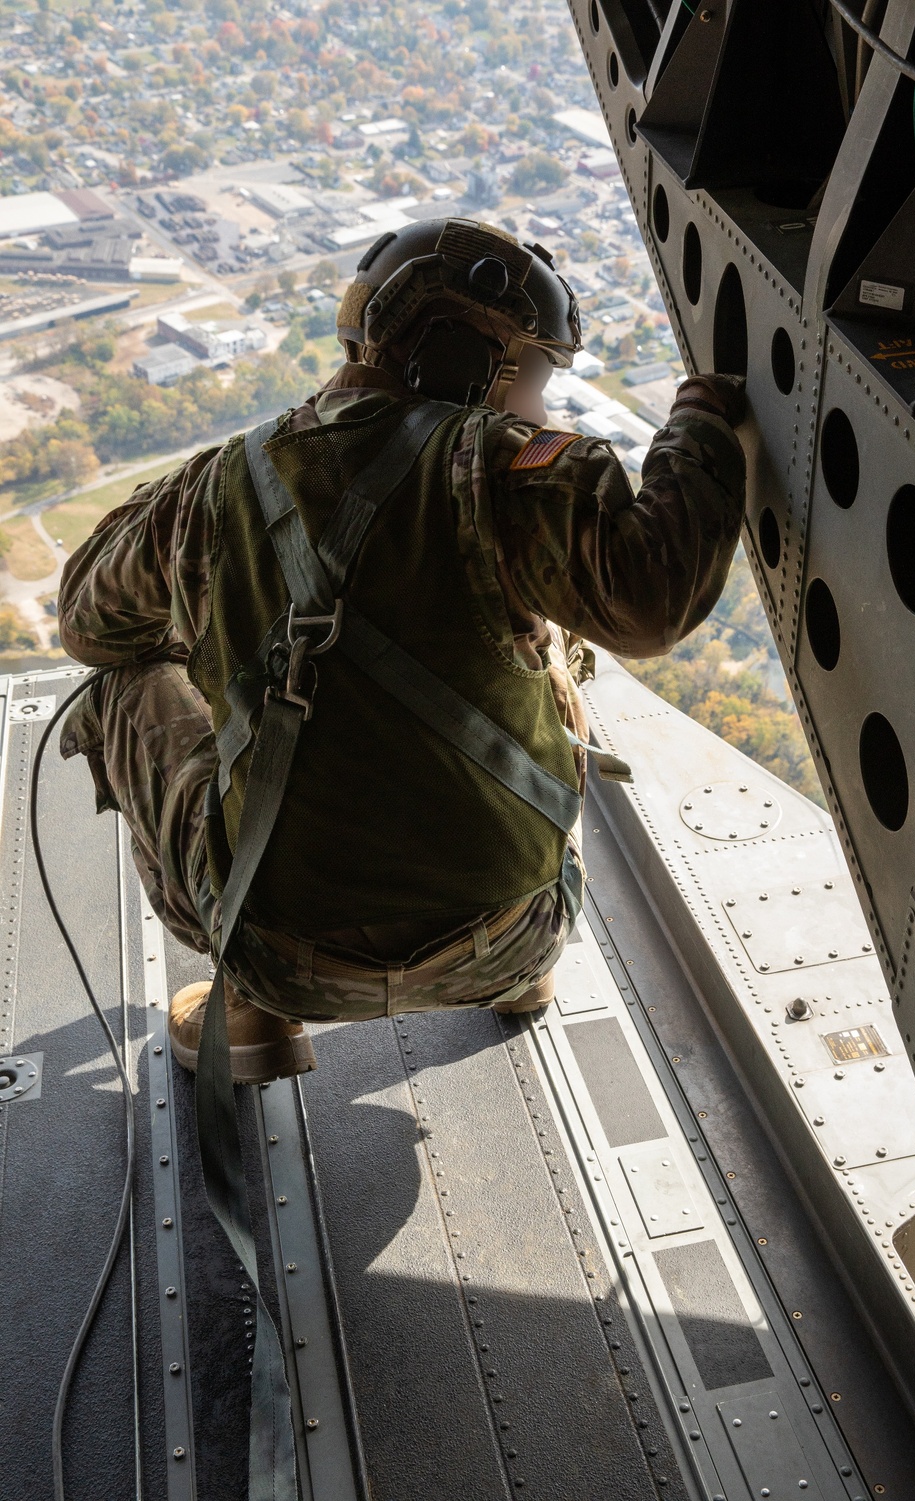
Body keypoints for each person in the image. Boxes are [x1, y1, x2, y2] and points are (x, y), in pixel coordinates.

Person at [57, 218, 746, 1087]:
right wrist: (701, 422)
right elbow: (651, 600)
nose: (536, 407)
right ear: (459, 357)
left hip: (275, 949)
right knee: (550, 630)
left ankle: (253, 1009)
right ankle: (523, 980)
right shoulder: (509, 469)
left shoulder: (211, 485)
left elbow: (89, 625)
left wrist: (233, 627)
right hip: (517, 930)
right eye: (530, 375)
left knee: (124, 686)